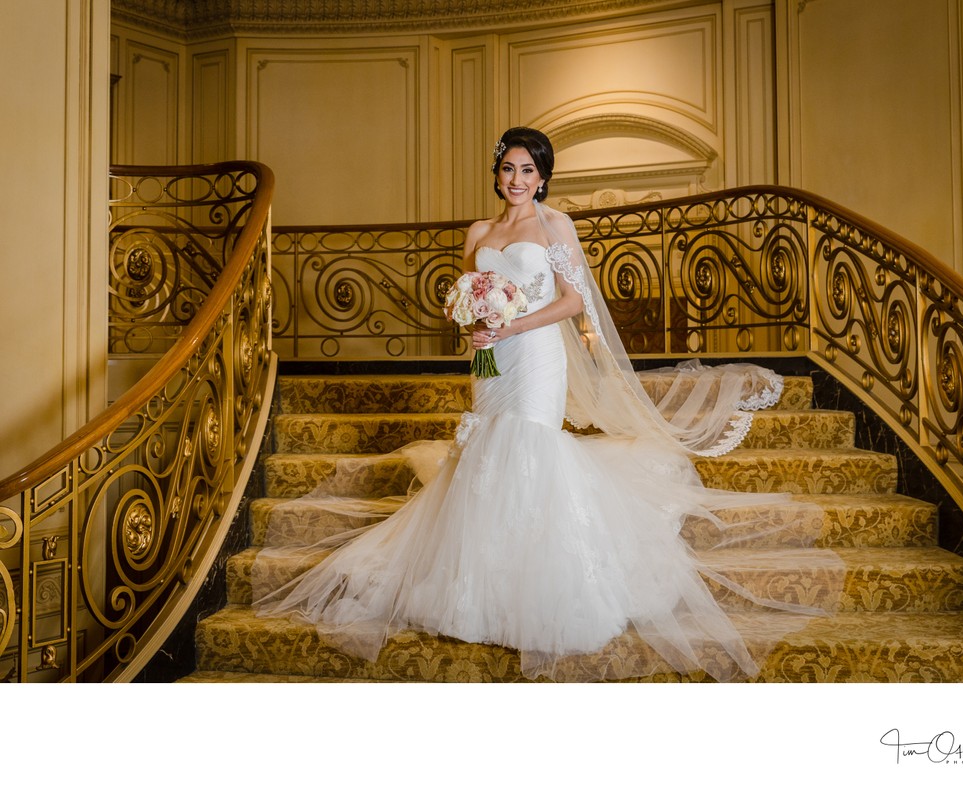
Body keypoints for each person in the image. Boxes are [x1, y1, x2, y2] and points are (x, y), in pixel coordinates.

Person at [253, 127, 844, 682]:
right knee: (487, 448)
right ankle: (478, 582)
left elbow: (571, 302)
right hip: (492, 362)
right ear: (498, 173)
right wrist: (476, 329)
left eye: (527, 170)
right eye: (507, 168)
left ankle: (542, 584)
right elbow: (468, 298)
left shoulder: (556, 225)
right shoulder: (478, 234)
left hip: (536, 356)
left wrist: (511, 327)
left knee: (528, 446)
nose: (515, 179)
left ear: (542, 178)